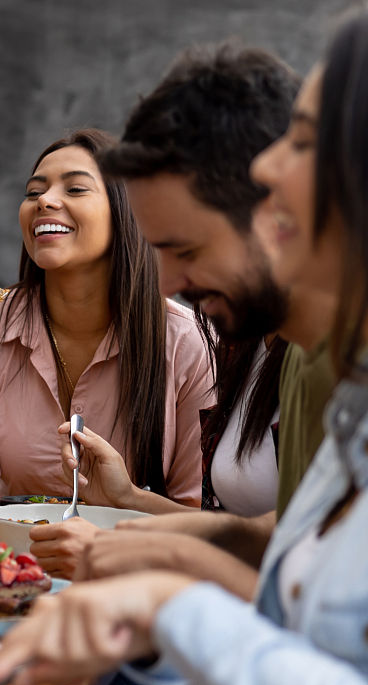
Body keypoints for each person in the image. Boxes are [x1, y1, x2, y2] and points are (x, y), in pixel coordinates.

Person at [0, 20, 368, 685]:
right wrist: (153, 539)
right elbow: (294, 553)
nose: (272, 169)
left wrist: (171, 601)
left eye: (303, 140)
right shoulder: (341, 383)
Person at [55, 48, 337, 593]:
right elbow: (289, 535)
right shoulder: (269, 343)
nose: (165, 284)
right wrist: (130, 510)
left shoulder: (332, 358)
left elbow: (320, 600)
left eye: (185, 249)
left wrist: (158, 585)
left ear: (276, 207)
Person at [0, 129, 212, 517]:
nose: (45, 201)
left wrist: (130, 499)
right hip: (14, 561)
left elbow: (200, 520)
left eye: (75, 190)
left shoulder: (187, 342)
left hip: (138, 567)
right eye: (34, 192)